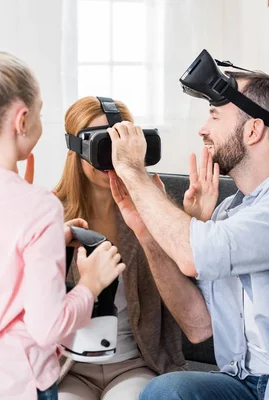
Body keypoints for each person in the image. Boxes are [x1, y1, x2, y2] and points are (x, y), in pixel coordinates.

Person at [106, 71, 269, 400]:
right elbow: (197, 324)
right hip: (244, 382)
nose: (203, 129)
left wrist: (132, 170)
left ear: (253, 129)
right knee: (166, 391)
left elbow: (194, 253)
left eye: (214, 115)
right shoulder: (228, 211)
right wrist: (147, 233)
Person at [0, 43, 126, 400]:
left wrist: (54, 237)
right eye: (39, 113)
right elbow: (48, 328)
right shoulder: (38, 205)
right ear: (22, 120)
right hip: (14, 387)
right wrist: (91, 284)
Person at [52, 96, 212, 400]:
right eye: (103, 144)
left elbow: (189, 299)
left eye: (120, 144)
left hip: (134, 363)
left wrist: (195, 223)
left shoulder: (152, 213)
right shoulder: (51, 214)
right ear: (76, 148)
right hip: (68, 366)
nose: (112, 156)